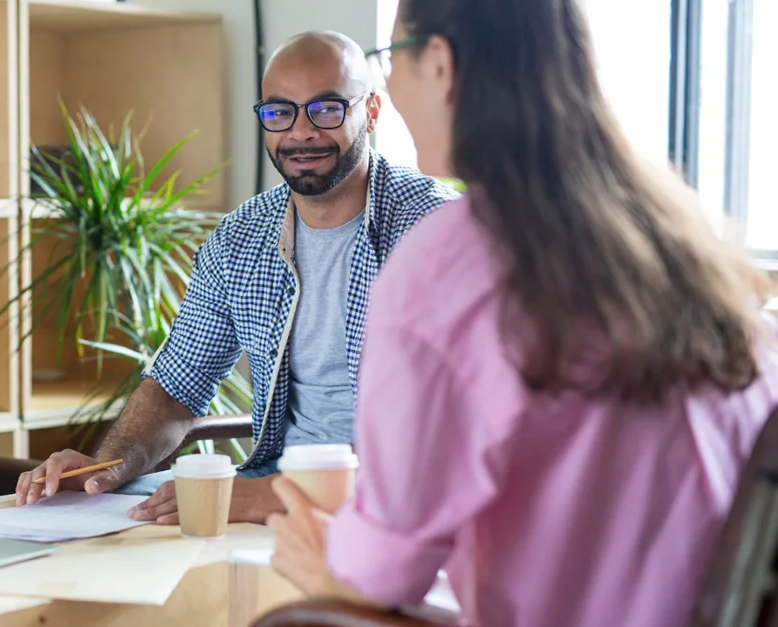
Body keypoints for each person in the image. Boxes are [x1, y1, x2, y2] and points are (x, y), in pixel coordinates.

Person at [265, 1, 778, 626]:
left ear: (442, 65)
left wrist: (325, 570)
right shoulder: (679, 238)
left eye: (392, 59)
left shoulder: (447, 264)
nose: (391, 85)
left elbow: (378, 578)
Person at [14, 31, 458, 524]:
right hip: (268, 494)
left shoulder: (439, 231)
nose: (301, 132)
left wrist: (277, 495)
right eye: (279, 112)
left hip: (388, 507)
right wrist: (106, 468)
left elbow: (454, 439)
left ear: (371, 111)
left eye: (326, 109)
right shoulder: (240, 238)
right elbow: (177, 386)